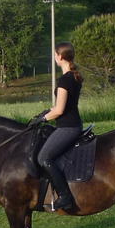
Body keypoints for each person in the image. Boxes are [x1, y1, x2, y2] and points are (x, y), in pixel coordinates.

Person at [30, 41, 84, 212]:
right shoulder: (73, 76)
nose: (54, 57)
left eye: (54, 54)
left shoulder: (64, 80)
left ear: (60, 56)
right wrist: (46, 113)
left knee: (43, 158)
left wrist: (43, 119)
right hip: (72, 124)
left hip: (68, 127)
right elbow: (63, 107)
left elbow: (59, 110)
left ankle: (65, 197)